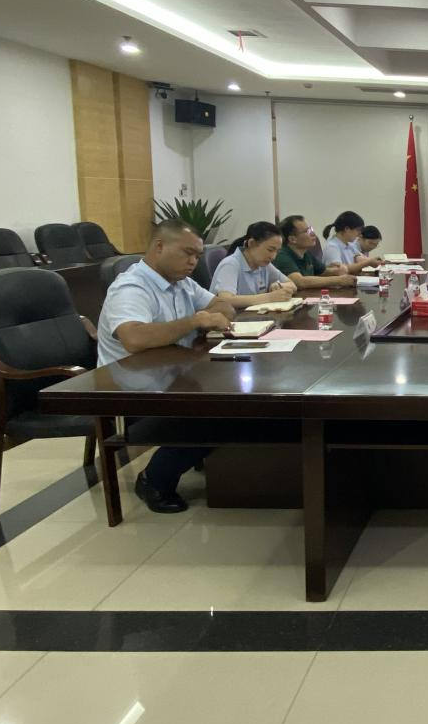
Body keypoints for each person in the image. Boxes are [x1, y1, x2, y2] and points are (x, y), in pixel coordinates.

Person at [96, 219, 236, 513]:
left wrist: (215, 313)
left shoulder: (181, 282)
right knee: (223, 412)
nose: (193, 261)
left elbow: (223, 305)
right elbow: (134, 338)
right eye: (188, 253)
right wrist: (195, 321)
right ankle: (154, 479)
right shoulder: (131, 287)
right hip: (132, 388)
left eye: (197, 255)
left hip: (174, 376)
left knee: (240, 397)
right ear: (159, 246)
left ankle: (228, 468)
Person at [209, 221, 298, 306]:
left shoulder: (264, 264)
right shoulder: (230, 264)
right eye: (270, 250)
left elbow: (292, 285)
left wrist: (279, 285)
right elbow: (225, 300)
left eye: (277, 251)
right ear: (251, 243)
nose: (273, 257)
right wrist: (269, 297)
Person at [274, 215, 348, 291]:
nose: (313, 233)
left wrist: (337, 270)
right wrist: (339, 280)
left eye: (310, 229)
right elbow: (299, 282)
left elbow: (322, 271)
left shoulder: (306, 253)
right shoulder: (282, 256)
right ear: (292, 239)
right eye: (307, 231)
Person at [322, 210, 367, 275]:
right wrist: (368, 262)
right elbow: (339, 271)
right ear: (347, 229)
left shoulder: (350, 245)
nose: (360, 234)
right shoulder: (332, 247)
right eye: (358, 230)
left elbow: (362, 259)